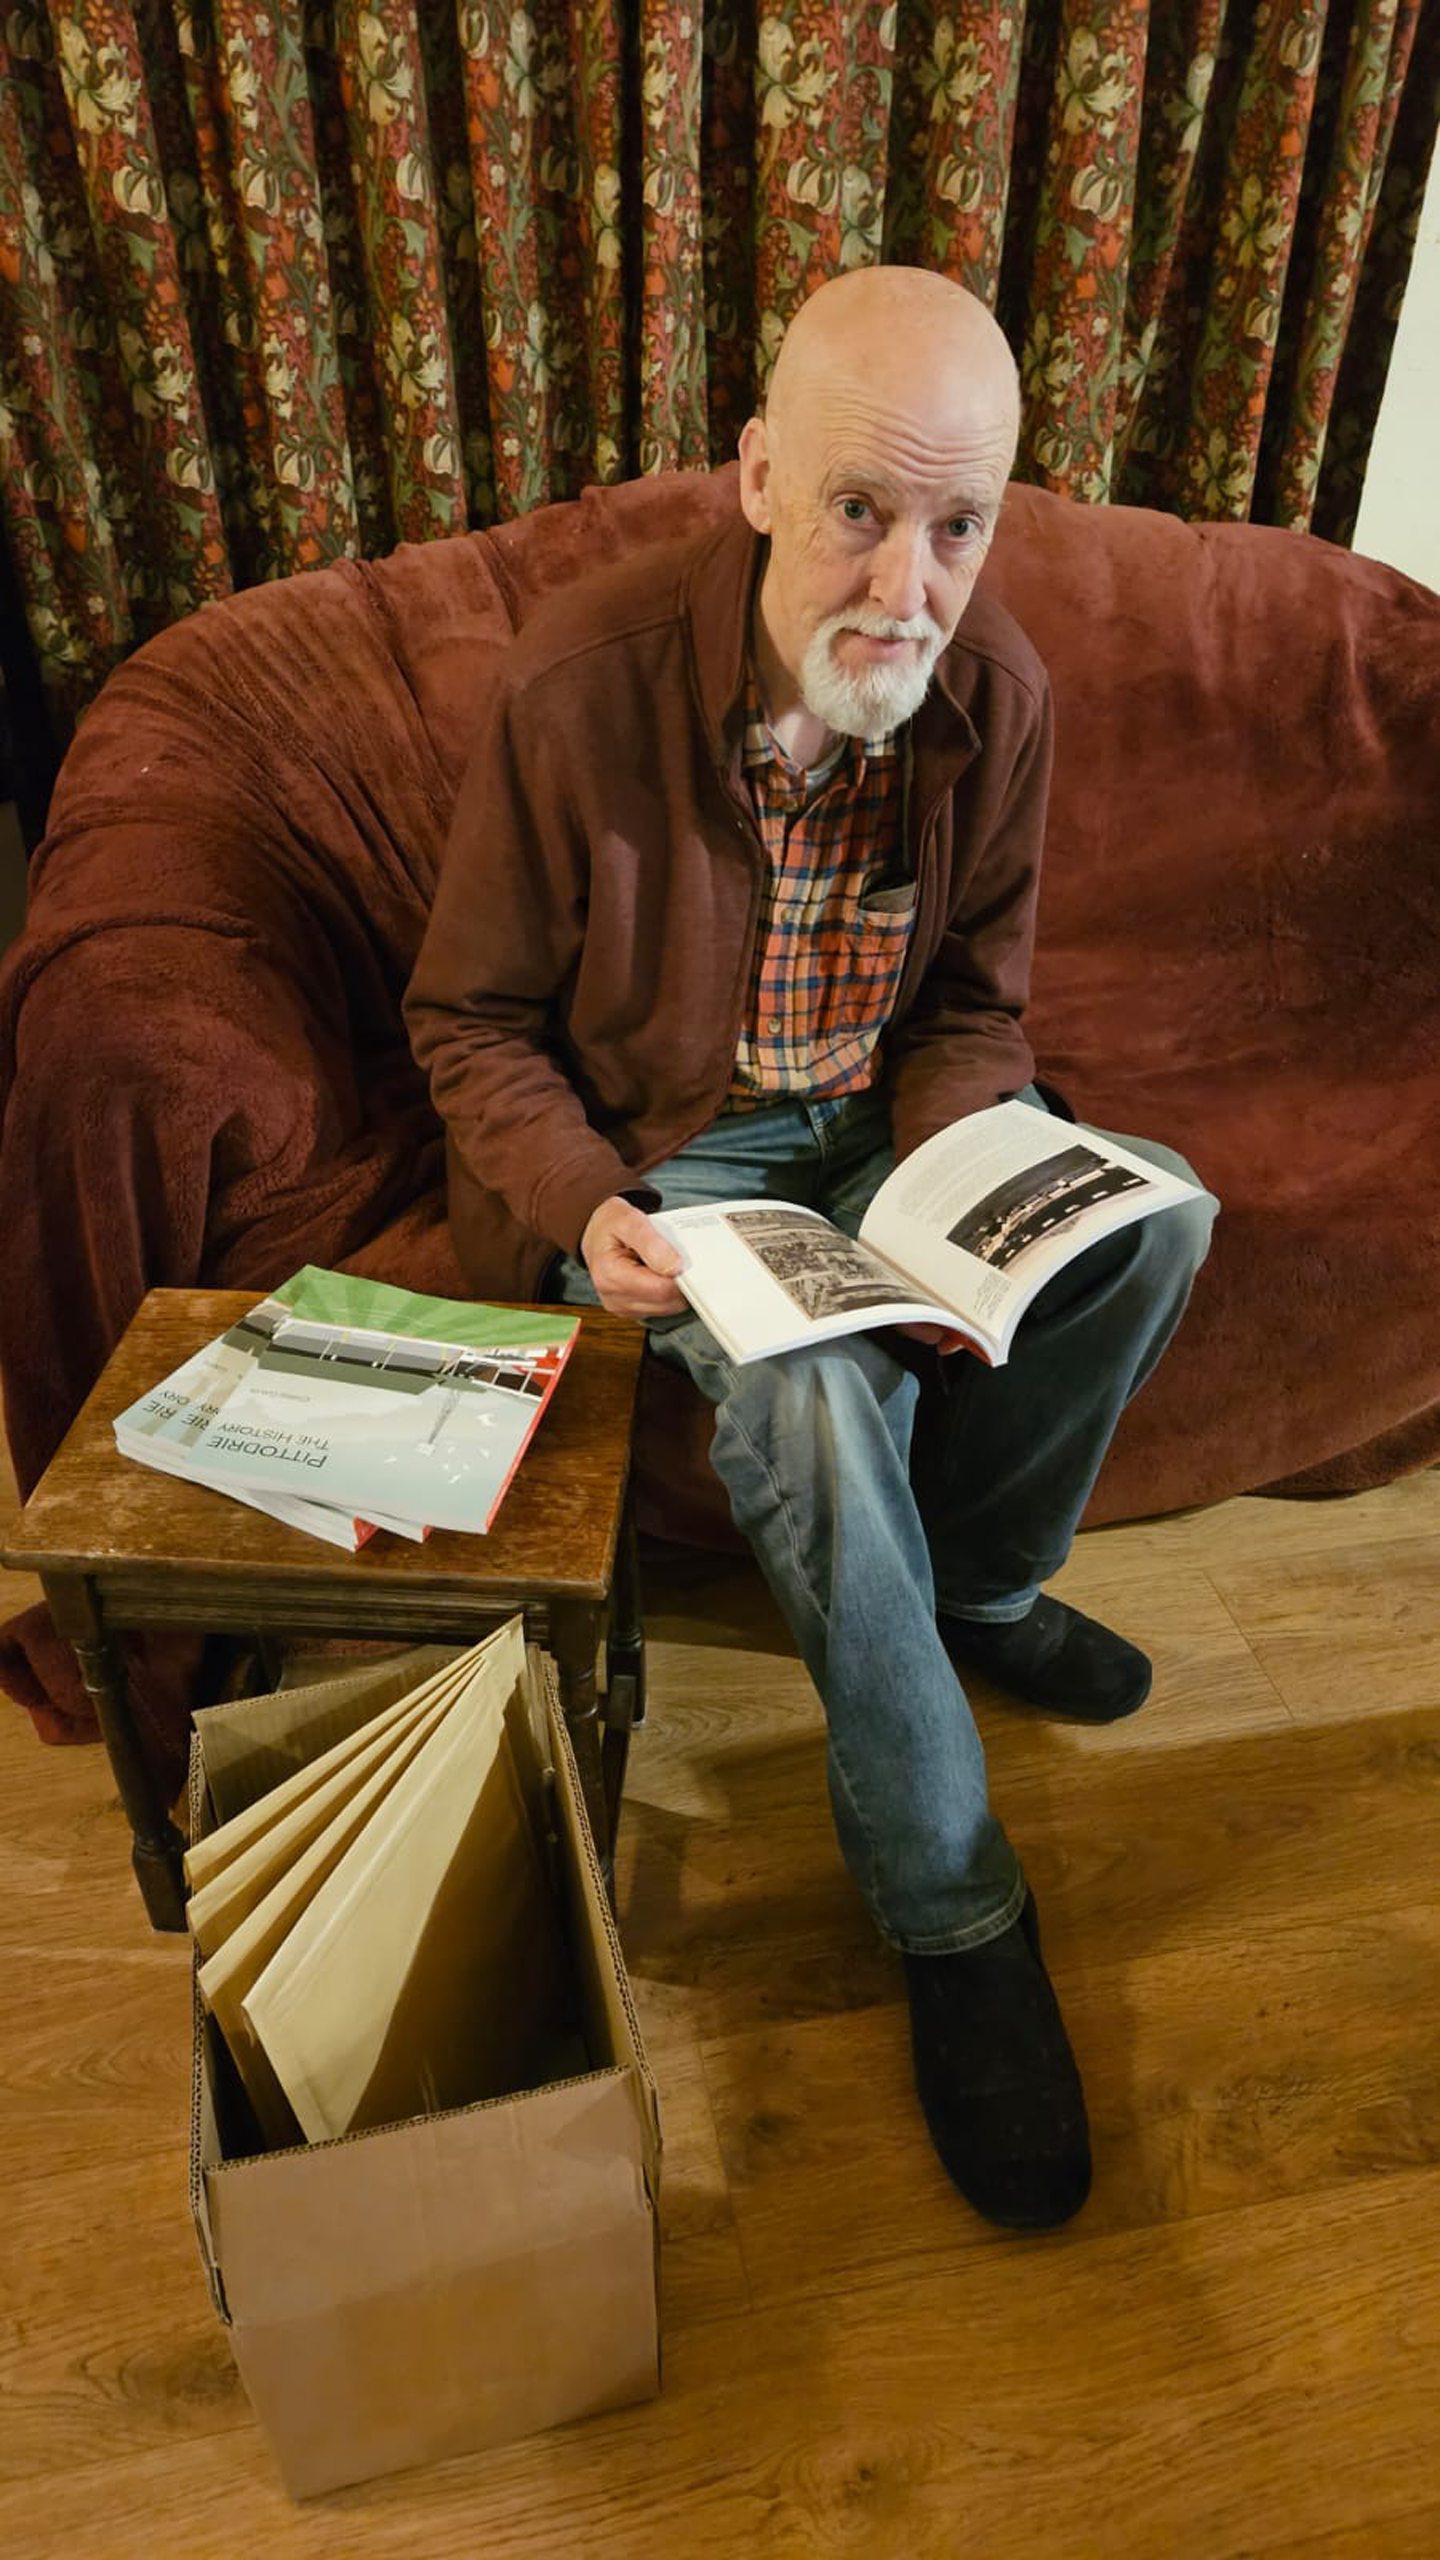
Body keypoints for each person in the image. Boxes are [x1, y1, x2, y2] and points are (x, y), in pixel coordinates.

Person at [405, 265, 1216, 2233]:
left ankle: (990, 1588)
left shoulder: (995, 698)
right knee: (818, 1401)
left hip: (877, 1134)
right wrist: (575, 1196)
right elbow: (469, 1021)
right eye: (863, 506)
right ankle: (955, 1911)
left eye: (961, 525)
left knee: (1149, 1218)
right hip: (677, 1154)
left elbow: (972, 1009)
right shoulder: (577, 688)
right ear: (758, 475)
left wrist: (970, 1183)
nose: (910, 583)